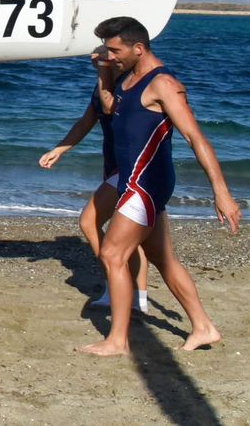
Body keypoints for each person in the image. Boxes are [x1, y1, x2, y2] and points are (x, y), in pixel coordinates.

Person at [75, 16, 241, 356]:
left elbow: (195, 137)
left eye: (115, 50)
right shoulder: (126, 78)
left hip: (147, 183)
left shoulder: (163, 84)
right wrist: (104, 69)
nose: (110, 56)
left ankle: (118, 341)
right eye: (107, 50)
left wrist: (221, 192)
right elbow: (108, 108)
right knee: (162, 257)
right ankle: (204, 327)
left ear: (139, 48)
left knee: (112, 253)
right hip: (130, 179)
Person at [39, 46, 151, 312]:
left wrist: (102, 69)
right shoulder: (103, 85)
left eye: (103, 52)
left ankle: (119, 290)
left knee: (89, 222)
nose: (95, 56)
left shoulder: (125, 84)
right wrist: (59, 149)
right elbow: (86, 121)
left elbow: (110, 108)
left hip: (132, 167)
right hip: (115, 165)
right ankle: (137, 298)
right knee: (133, 238)